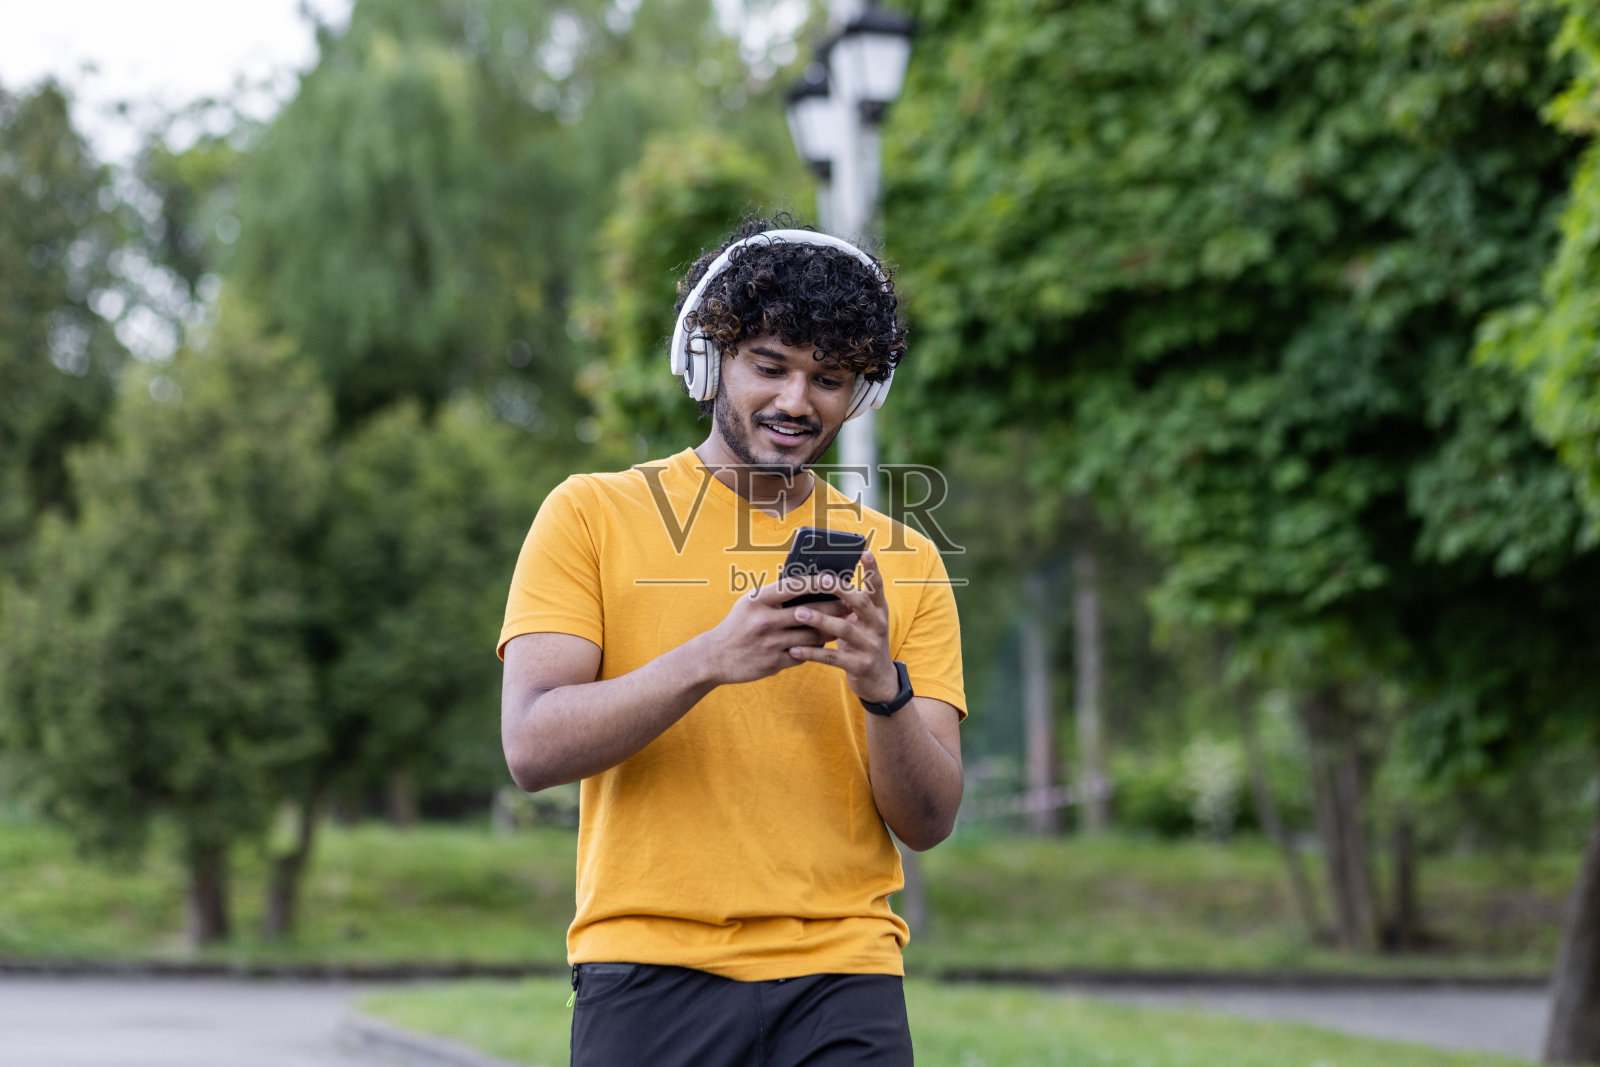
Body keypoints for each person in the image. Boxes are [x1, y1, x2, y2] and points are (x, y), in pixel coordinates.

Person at [498, 217, 966, 1067]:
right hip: (647, 970)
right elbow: (532, 746)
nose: (797, 401)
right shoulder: (589, 515)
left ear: (861, 393)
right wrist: (711, 658)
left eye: (829, 377)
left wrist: (880, 686)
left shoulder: (908, 559)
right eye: (771, 365)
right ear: (709, 360)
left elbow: (929, 819)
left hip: (844, 976)